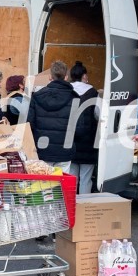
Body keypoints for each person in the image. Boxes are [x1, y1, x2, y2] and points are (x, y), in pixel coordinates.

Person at [27, 60, 84, 175]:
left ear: (49, 77)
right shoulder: (75, 99)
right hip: (65, 151)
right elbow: (79, 129)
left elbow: (30, 124)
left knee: (43, 186)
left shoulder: (37, 96)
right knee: (62, 186)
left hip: (42, 150)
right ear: (66, 77)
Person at [69, 61, 99, 194]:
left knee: (71, 177)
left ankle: (71, 205)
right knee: (86, 178)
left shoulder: (67, 91)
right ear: (84, 76)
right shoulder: (93, 93)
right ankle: (84, 208)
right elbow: (98, 115)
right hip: (88, 142)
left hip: (70, 142)